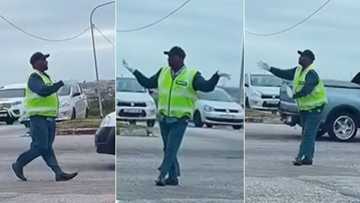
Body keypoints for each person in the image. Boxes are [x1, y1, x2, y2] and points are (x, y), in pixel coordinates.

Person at [123, 46, 230, 186]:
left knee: (171, 149)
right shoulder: (163, 72)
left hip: (180, 120)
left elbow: (206, 87)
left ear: (180, 58)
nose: (168, 59)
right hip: (163, 118)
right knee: (167, 148)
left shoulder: (192, 75)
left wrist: (216, 76)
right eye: (168, 57)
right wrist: (133, 71)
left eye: (171, 57)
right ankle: (173, 177)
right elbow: (148, 83)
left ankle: (162, 175)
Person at [12, 52, 78, 181]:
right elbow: (43, 92)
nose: (46, 62)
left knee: (46, 147)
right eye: (43, 60)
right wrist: (60, 84)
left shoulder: (45, 77)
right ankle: (19, 163)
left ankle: (58, 173)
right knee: (41, 146)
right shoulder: (34, 78)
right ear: (36, 63)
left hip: (49, 117)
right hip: (38, 118)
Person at [258, 49, 327, 166]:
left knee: (308, 134)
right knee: (307, 133)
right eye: (300, 56)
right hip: (305, 109)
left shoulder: (312, 73)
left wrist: (294, 95)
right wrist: (269, 68)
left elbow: (307, 89)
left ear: (310, 60)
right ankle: (308, 158)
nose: (300, 58)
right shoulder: (298, 70)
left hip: (316, 109)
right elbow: (284, 73)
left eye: (303, 57)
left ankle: (302, 157)